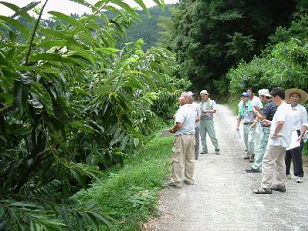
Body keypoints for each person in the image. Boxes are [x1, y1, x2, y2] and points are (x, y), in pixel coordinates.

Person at [253, 87, 293, 194]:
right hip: (284, 140)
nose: (272, 100)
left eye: (273, 98)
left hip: (277, 140)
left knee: (267, 161)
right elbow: (282, 122)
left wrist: (274, 134)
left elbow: (280, 123)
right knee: (280, 162)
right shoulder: (289, 108)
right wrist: (271, 123)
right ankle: (281, 184)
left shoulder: (281, 108)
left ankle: (265, 186)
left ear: (278, 97)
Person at [168, 92, 197, 188]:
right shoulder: (193, 109)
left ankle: (177, 181)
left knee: (178, 159)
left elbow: (179, 125)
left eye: (181, 97)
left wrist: (172, 130)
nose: (179, 98)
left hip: (182, 137)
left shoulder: (182, 110)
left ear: (186, 99)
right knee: (190, 158)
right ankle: (189, 179)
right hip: (191, 136)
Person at [246, 89, 277, 173]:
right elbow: (265, 115)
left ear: (263, 97)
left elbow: (263, 117)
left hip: (267, 128)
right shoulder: (273, 104)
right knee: (270, 149)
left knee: (261, 148)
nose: (260, 99)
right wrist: (259, 111)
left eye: (260, 97)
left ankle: (256, 167)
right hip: (273, 128)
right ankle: (271, 167)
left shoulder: (268, 105)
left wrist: (255, 111)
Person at [284, 88, 308, 183]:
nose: (294, 98)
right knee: (286, 154)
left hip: (297, 132)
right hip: (287, 132)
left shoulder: (301, 109)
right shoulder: (285, 107)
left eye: (296, 97)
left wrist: (301, 134)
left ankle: (299, 175)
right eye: (293, 96)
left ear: (299, 99)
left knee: (296, 154)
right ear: (289, 98)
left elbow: (305, 123)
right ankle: (286, 173)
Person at [199, 90, 220, 154]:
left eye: (203, 96)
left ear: (207, 95)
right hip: (202, 120)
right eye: (201, 96)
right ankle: (204, 149)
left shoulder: (212, 102)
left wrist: (207, 111)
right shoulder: (200, 103)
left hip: (209, 120)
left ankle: (217, 148)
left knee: (212, 135)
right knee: (202, 136)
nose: (202, 97)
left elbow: (214, 110)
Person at [236, 92, 256, 159]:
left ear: (248, 98)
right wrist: (237, 126)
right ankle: (248, 153)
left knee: (250, 140)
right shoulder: (241, 106)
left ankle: (251, 154)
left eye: (245, 97)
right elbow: (239, 116)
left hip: (251, 125)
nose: (244, 98)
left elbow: (257, 115)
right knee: (246, 140)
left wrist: (255, 122)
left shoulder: (252, 105)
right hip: (245, 125)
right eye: (243, 97)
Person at [187, 92, 201, 160]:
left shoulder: (196, 105)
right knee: (188, 140)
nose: (191, 98)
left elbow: (199, 115)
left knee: (196, 140)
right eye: (190, 97)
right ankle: (188, 154)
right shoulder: (184, 105)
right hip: (187, 127)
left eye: (192, 96)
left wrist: (197, 119)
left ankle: (195, 155)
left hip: (195, 126)